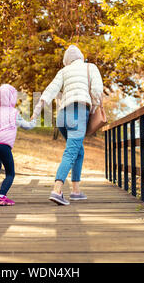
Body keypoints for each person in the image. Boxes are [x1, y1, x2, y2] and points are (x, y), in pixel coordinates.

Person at [32, 45, 103, 205]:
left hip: (62, 117)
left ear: (66, 61)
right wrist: (93, 107)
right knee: (71, 152)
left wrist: (36, 112)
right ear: (81, 56)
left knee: (78, 151)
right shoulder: (90, 67)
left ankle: (76, 191)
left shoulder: (63, 72)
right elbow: (97, 91)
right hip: (78, 112)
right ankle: (57, 190)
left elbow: (50, 91)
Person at [0, 84, 36, 206]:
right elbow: (28, 126)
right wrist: (34, 120)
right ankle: (1, 196)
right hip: (3, 145)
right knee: (10, 172)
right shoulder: (14, 113)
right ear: (12, 97)